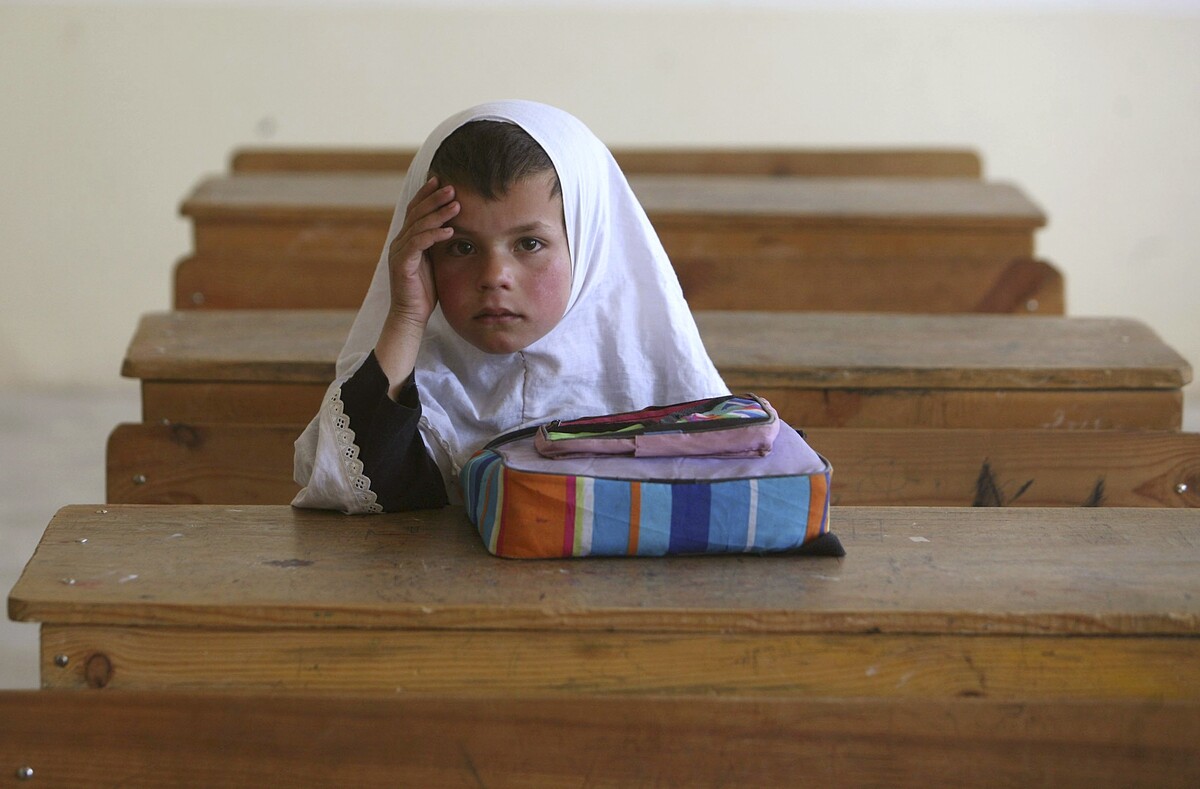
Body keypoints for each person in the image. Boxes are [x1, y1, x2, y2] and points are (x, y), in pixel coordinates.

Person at [292, 100, 729, 514]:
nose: (494, 275)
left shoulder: (657, 383)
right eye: (461, 246)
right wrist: (406, 318)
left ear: (589, 242)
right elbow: (351, 491)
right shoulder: (411, 376)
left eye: (529, 244)